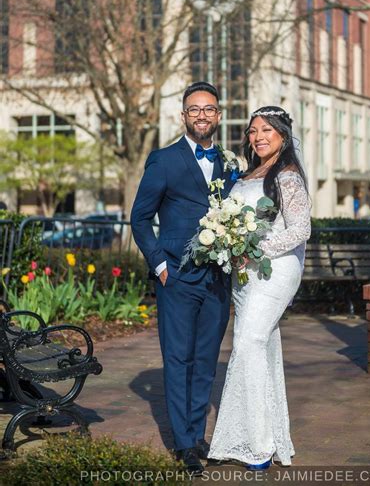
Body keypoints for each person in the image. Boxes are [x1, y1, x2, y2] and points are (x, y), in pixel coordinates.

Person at [131, 81, 235, 475]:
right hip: (176, 276)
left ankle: (196, 431)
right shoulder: (164, 159)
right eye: (195, 109)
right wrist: (160, 266)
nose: (202, 115)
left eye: (209, 109)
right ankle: (183, 443)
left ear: (219, 115)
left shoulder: (229, 163)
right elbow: (140, 219)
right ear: (184, 115)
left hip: (217, 279)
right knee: (178, 358)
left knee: (206, 361)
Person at [208, 106, 311, 470]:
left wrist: (254, 250)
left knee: (248, 342)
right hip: (243, 273)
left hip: (275, 270)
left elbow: (300, 230)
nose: (258, 137)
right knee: (261, 347)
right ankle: (268, 436)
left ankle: (260, 446)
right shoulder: (249, 172)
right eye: (253, 131)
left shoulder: (287, 175)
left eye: (266, 130)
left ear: (283, 134)